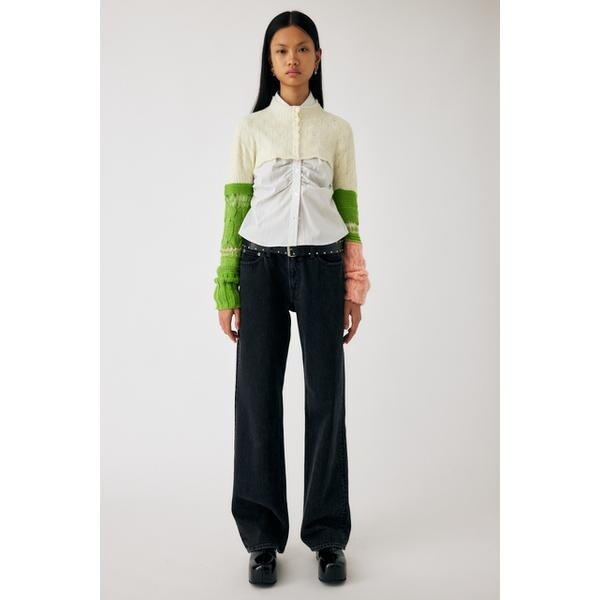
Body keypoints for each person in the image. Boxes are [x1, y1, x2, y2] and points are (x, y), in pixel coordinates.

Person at [213, 10, 371, 585]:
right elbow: (235, 208)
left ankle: (327, 535)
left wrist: (354, 284)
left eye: (303, 49)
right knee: (257, 396)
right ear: (270, 60)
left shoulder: (337, 131)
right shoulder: (251, 128)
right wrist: (226, 284)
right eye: (282, 50)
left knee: (326, 395)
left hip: (323, 267)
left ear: (318, 58)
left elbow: (349, 213)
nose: (292, 59)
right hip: (260, 267)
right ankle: (262, 538)